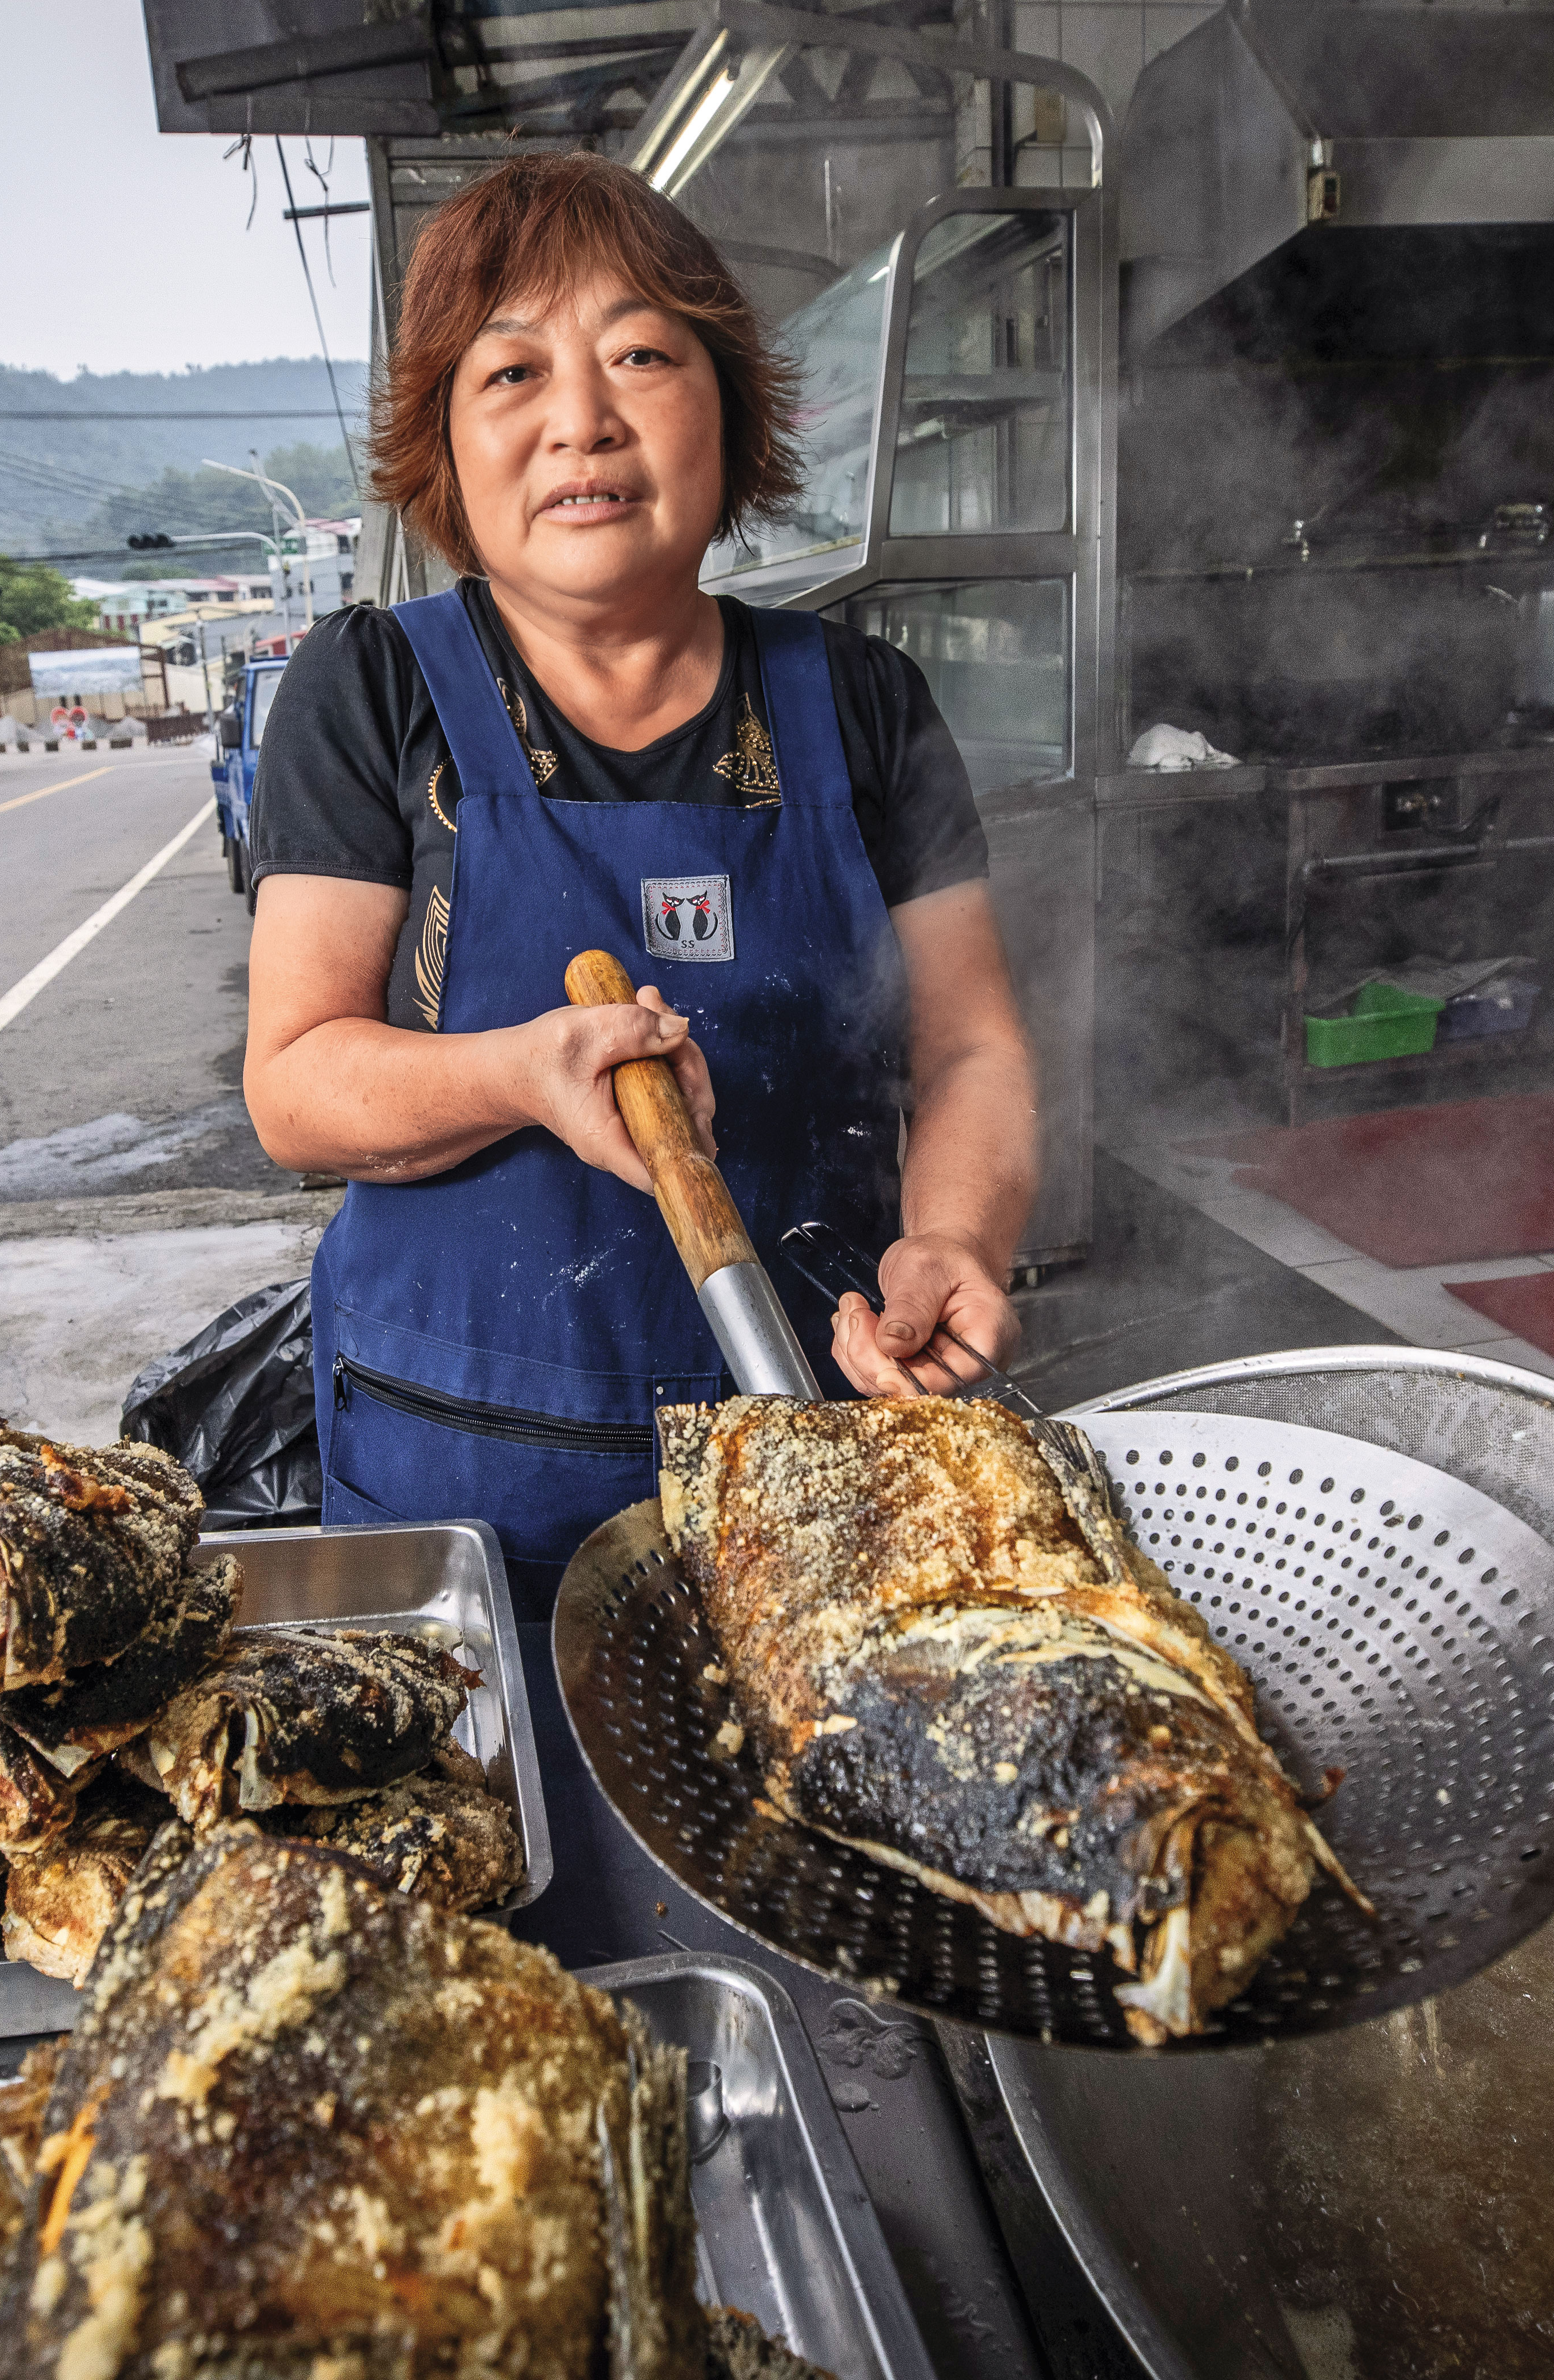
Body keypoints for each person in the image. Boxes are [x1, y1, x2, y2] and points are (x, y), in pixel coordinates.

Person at [241, 151, 1038, 1599]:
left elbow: (971, 1046)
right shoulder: (372, 690)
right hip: (469, 1488)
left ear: (727, 405)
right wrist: (519, 1071)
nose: (582, 421)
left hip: (820, 1453)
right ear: (445, 442)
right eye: (511, 374)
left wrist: (952, 1238)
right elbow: (295, 1085)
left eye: (641, 356)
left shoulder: (862, 702)